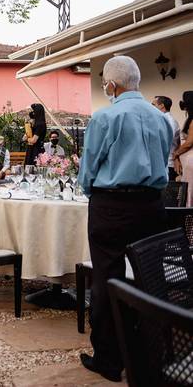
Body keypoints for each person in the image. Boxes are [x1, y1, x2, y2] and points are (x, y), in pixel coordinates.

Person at [77, 56, 171, 382]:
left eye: (105, 83)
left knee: (107, 278)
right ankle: (154, 352)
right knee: (150, 279)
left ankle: (109, 358)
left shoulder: (105, 118)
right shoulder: (163, 120)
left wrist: (94, 193)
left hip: (111, 205)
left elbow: (88, 171)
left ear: (112, 86)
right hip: (152, 205)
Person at [153, 95, 181, 180]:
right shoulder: (161, 120)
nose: (151, 107)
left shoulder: (170, 121)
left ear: (161, 105)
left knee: (167, 192)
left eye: (153, 105)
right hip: (161, 163)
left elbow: (166, 140)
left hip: (168, 164)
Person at [173, 91, 193, 205]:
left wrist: (175, 154)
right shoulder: (190, 119)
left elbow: (189, 142)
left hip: (190, 161)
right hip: (187, 161)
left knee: (189, 189)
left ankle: (189, 217)